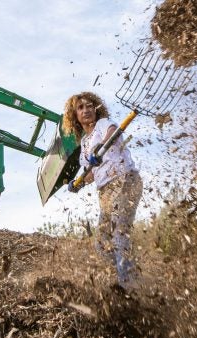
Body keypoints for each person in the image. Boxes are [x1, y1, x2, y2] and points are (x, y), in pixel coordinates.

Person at [63, 92, 143, 291]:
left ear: (96, 108)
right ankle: (123, 276)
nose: (86, 110)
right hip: (106, 191)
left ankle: (128, 286)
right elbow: (91, 173)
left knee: (119, 233)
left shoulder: (103, 124)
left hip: (124, 180)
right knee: (101, 244)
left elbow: (113, 131)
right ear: (74, 116)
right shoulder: (83, 144)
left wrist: (101, 146)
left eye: (89, 106)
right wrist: (78, 182)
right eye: (80, 108)